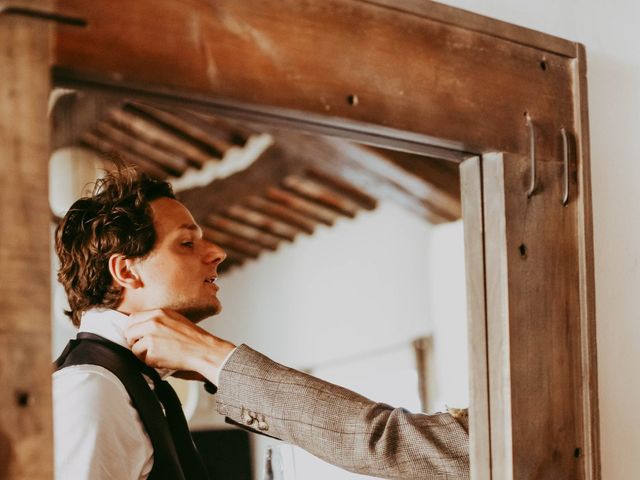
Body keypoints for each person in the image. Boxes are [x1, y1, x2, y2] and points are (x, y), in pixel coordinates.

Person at [53, 168, 469, 480]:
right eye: (187, 243)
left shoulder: (137, 383)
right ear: (126, 271)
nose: (217, 252)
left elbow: (388, 441)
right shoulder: (90, 387)